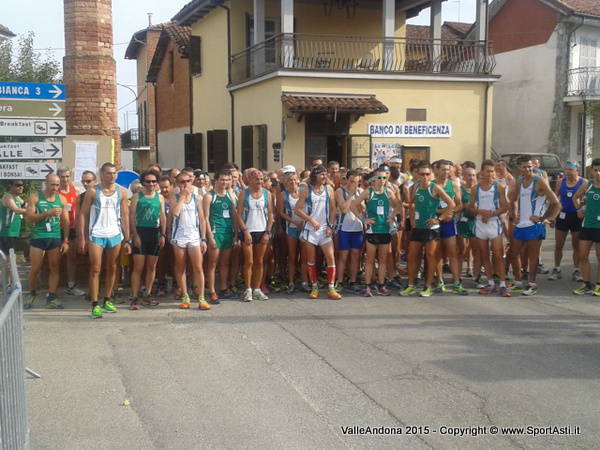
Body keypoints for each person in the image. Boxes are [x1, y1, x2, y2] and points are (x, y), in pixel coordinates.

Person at [78, 163, 131, 318]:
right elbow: (83, 214)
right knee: (95, 268)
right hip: (96, 234)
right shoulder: (93, 192)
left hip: (114, 234)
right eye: (108, 173)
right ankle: (95, 303)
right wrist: (82, 237)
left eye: (114, 173)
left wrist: (127, 239)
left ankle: (107, 299)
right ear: (102, 174)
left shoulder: (121, 192)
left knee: (113, 267)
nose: (112, 176)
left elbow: (125, 216)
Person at [508, 155, 560, 296]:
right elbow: (513, 200)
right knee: (513, 254)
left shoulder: (539, 181)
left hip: (534, 226)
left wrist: (544, 218)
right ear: (519, 168)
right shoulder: (520, 181)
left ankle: (532, 284)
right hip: (521, 224)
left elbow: (556, 203)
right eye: (525, 167)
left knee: (533, 256)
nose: (528, 169)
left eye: (530, 166)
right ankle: (518, 282)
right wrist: (515, 215)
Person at [401, 161, 455, 297]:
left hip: (432, 228)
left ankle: (428, 286)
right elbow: (412, 204)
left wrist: (439, 218)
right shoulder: (415, 187)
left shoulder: (435, 187)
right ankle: (410, 285)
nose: (425, 176)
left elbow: (451, 204)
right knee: (412, 256)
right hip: (418, 227)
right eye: (422, 174)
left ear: (431, 174)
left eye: (427, 174)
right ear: (417, 175)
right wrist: (412, 219)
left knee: (430, 256)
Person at [351, 168, 401, 296]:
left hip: (384, 230)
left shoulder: (389, 192)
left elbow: (398, 205)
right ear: (373, 179)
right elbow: (353, 205)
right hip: (372, 230)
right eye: (379, 178)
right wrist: (363, 219)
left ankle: (381, 285)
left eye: (384, 178)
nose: (381, 180)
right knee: (370, 260)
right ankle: (367, 286)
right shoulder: (369, 192)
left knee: (383, 260)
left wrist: (392, 216)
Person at [295, 165, 341, 300]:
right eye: (322, 174)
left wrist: (330, 226)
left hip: (325, 229)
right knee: (311, 259)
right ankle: (314, 287)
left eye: (325, 174)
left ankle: (331, 288)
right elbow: (297, 209)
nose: (324, 177)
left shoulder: (329, 189)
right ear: (315, 175)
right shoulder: (306, 190)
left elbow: (333, 209)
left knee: (330, 258)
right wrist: (311, 220)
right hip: (310, 229)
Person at [24, 174, 70, 309]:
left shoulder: (61, 199)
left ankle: (51, 296)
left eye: (57, 185)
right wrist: (47, 213)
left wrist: (66, 240)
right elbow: (29, 218)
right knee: (35, 268)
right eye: (52, 185)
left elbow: (66, 221)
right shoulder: (35, 197)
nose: (55, 188)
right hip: (38, 236)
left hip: (54, 236)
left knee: (55, 267)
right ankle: (31, 292)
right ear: (46, 183)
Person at [469, 160, 510, 297]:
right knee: (484, 254)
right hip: (481, 223)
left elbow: (505, 207)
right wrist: (481, 212)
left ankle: (503, 284)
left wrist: (491, 214)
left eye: (492, 171)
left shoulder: (499, 187)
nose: (490, 174)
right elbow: (470, 207)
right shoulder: (476, 188)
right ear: (482, 172)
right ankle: (491, 282)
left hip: (493, 223)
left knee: (498, 255)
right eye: (487, 171)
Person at [169, 172, 210, 310]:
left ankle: (201, 297)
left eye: (187, 181)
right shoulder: (174, 197)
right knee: (181, 267)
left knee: (198, 267)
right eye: (182, 182)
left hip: (194, 236)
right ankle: (185, 295)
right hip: (179, 236)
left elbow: (203, 219)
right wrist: (182, 196)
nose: (185, 184)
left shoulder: (197, 198)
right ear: (177, 183)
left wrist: (203, 238)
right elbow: (175, 213)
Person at [129, 169, 167, 310]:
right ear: (143, 182)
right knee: (138, 267)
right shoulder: (137, 196)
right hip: (141, 232)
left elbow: (163, 216)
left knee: (152, 267)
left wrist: (163, 234)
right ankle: (134, 297)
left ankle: (148, 295)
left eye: (154, 181)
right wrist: (135, 235)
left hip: (154, 233)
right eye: (148, 181)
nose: (151, 184)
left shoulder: (160, 197)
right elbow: (131, 217)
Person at [236, 169, 274, 301]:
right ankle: (248, 289)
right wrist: (245, 231)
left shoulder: (267, 193)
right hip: (248, 231)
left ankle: (257, 288)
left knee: (259, 261)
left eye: (261, 179)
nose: (259, 182)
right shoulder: (243, 193)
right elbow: (239, 214)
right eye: (257, 179)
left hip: (262, 231)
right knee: (249, 261)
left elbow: (270, 214)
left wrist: (268, 232)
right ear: (250, 180)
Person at [432, 160, 468, 295]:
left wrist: (451, 212)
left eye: (448, 170)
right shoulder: (432, 185)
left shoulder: (453, 185)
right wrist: (443, 212)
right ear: (437, 170)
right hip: (435, 222)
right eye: (443, 170)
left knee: (453, 252)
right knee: (437, 253)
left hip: (448, 222)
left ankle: (456, 282)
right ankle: (440, 281)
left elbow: (459, 205)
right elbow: (427, 207)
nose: (446, 172)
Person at [203, 169, 237, 303]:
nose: (225, 182)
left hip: (228, 233)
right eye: (222, 179)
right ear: (215, 181)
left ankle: (223, 289)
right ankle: (212, 291)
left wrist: (235, 234)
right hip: (216, 233)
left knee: (225, 263)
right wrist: (210, 237)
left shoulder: (230, 194)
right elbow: (205, 217)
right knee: (212, 263)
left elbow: (234, 215)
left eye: (228, 180)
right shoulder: (209, 196)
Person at [549, 161, 586, 281]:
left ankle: (576, 270)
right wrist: (552, 217)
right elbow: (555, 200)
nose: (567, 172)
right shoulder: (561, 182)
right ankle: (557, 268)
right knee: (559, 245)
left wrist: (582, 208)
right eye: (566, 169)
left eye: (570, 170)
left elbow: (588, 199)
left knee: (577, 245)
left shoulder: (583, 182)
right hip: (562, 216)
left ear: (577, 171)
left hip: (577, 217)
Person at [572, 158, 600, 296]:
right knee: (582, 256)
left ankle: (599, 286)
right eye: (596, 170)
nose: (598, 173)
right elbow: (575, 197)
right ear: (592, 171)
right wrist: (580, 209)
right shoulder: (587, 184)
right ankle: (587, 284)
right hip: (587, 225)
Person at [335, 170, 363, 294]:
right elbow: (344, 209)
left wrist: (358, 198)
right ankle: (339, 281)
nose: (354, 183)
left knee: (356, 256)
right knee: (343, 256)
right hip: (344, 228)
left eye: (356, 181)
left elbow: (363, 209)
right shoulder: (340, 191)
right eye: (352, 181)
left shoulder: (361, 192)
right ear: (347, 179)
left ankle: (353, 281)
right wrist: (351, 194)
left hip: (357, 228)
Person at [57, 168, 85, 296]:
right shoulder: (55, 191)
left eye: (67, 176)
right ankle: (54, 286)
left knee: (71, 257)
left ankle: (71, 284)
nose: (65, 179)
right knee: (55, 258)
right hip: (57, 228)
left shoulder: (76, 191)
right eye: (62, 177)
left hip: (72, 227)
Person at [277, 170, 305, 294]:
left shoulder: (304, 193)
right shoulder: (283, 194)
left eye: (294, 179)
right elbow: (281, 212)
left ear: (298, 180)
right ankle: (291, 282)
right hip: (292, 228)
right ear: (286, 182)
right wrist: (294, 222)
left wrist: (304, 222)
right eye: (290, 180)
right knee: (292, 256)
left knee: (304, 257)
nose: (293, 182)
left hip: (304, 227)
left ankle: (304, 281)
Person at [456, 164, 478, 280]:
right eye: (468, 175)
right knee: (462, 250)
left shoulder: (479, 189)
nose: (471, 177)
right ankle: (457, 277)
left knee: (476, 250)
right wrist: (464, 206)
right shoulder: (460, 190)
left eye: (473, 175)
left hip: (476, 223)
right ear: (463, 176)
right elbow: (456, 207)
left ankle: (475, 275)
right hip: (463, 223)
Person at [0, 180, 25, 257]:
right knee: (8, 257)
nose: (21, 187)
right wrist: (31, 212)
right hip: (6, 232)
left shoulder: (16, 197)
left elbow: (26, 205)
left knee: (11, 257)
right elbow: (16, 210)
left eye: (22, 185)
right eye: (18, 185)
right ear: (11, 186)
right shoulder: (8, 196)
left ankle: (10, 269)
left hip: (13, 232)